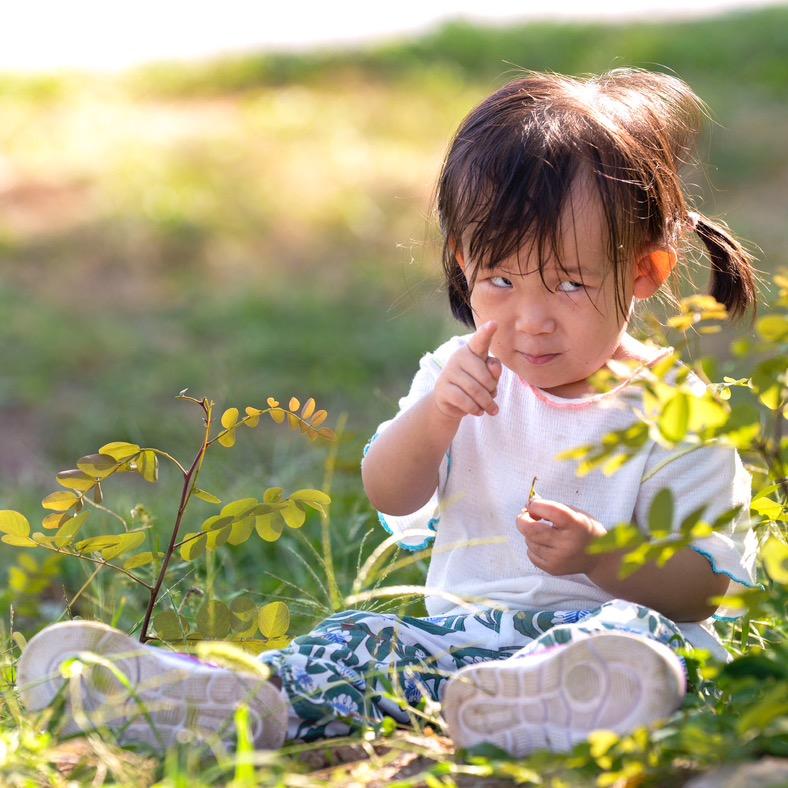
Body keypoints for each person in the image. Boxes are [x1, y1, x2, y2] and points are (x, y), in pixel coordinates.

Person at [17, 68, 760, 758]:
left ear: (644, 271)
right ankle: (229, 697)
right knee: (366, 639)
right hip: (462, 644)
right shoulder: (456, 377)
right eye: (500, 279)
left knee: (631, 637)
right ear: (462, 261)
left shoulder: (678, 410)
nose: (530, 320)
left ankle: (561, 702)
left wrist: (603, 554)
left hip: (612, 645)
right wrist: (437, 418)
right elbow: (389, 491)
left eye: (568, 284)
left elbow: (705, 587)